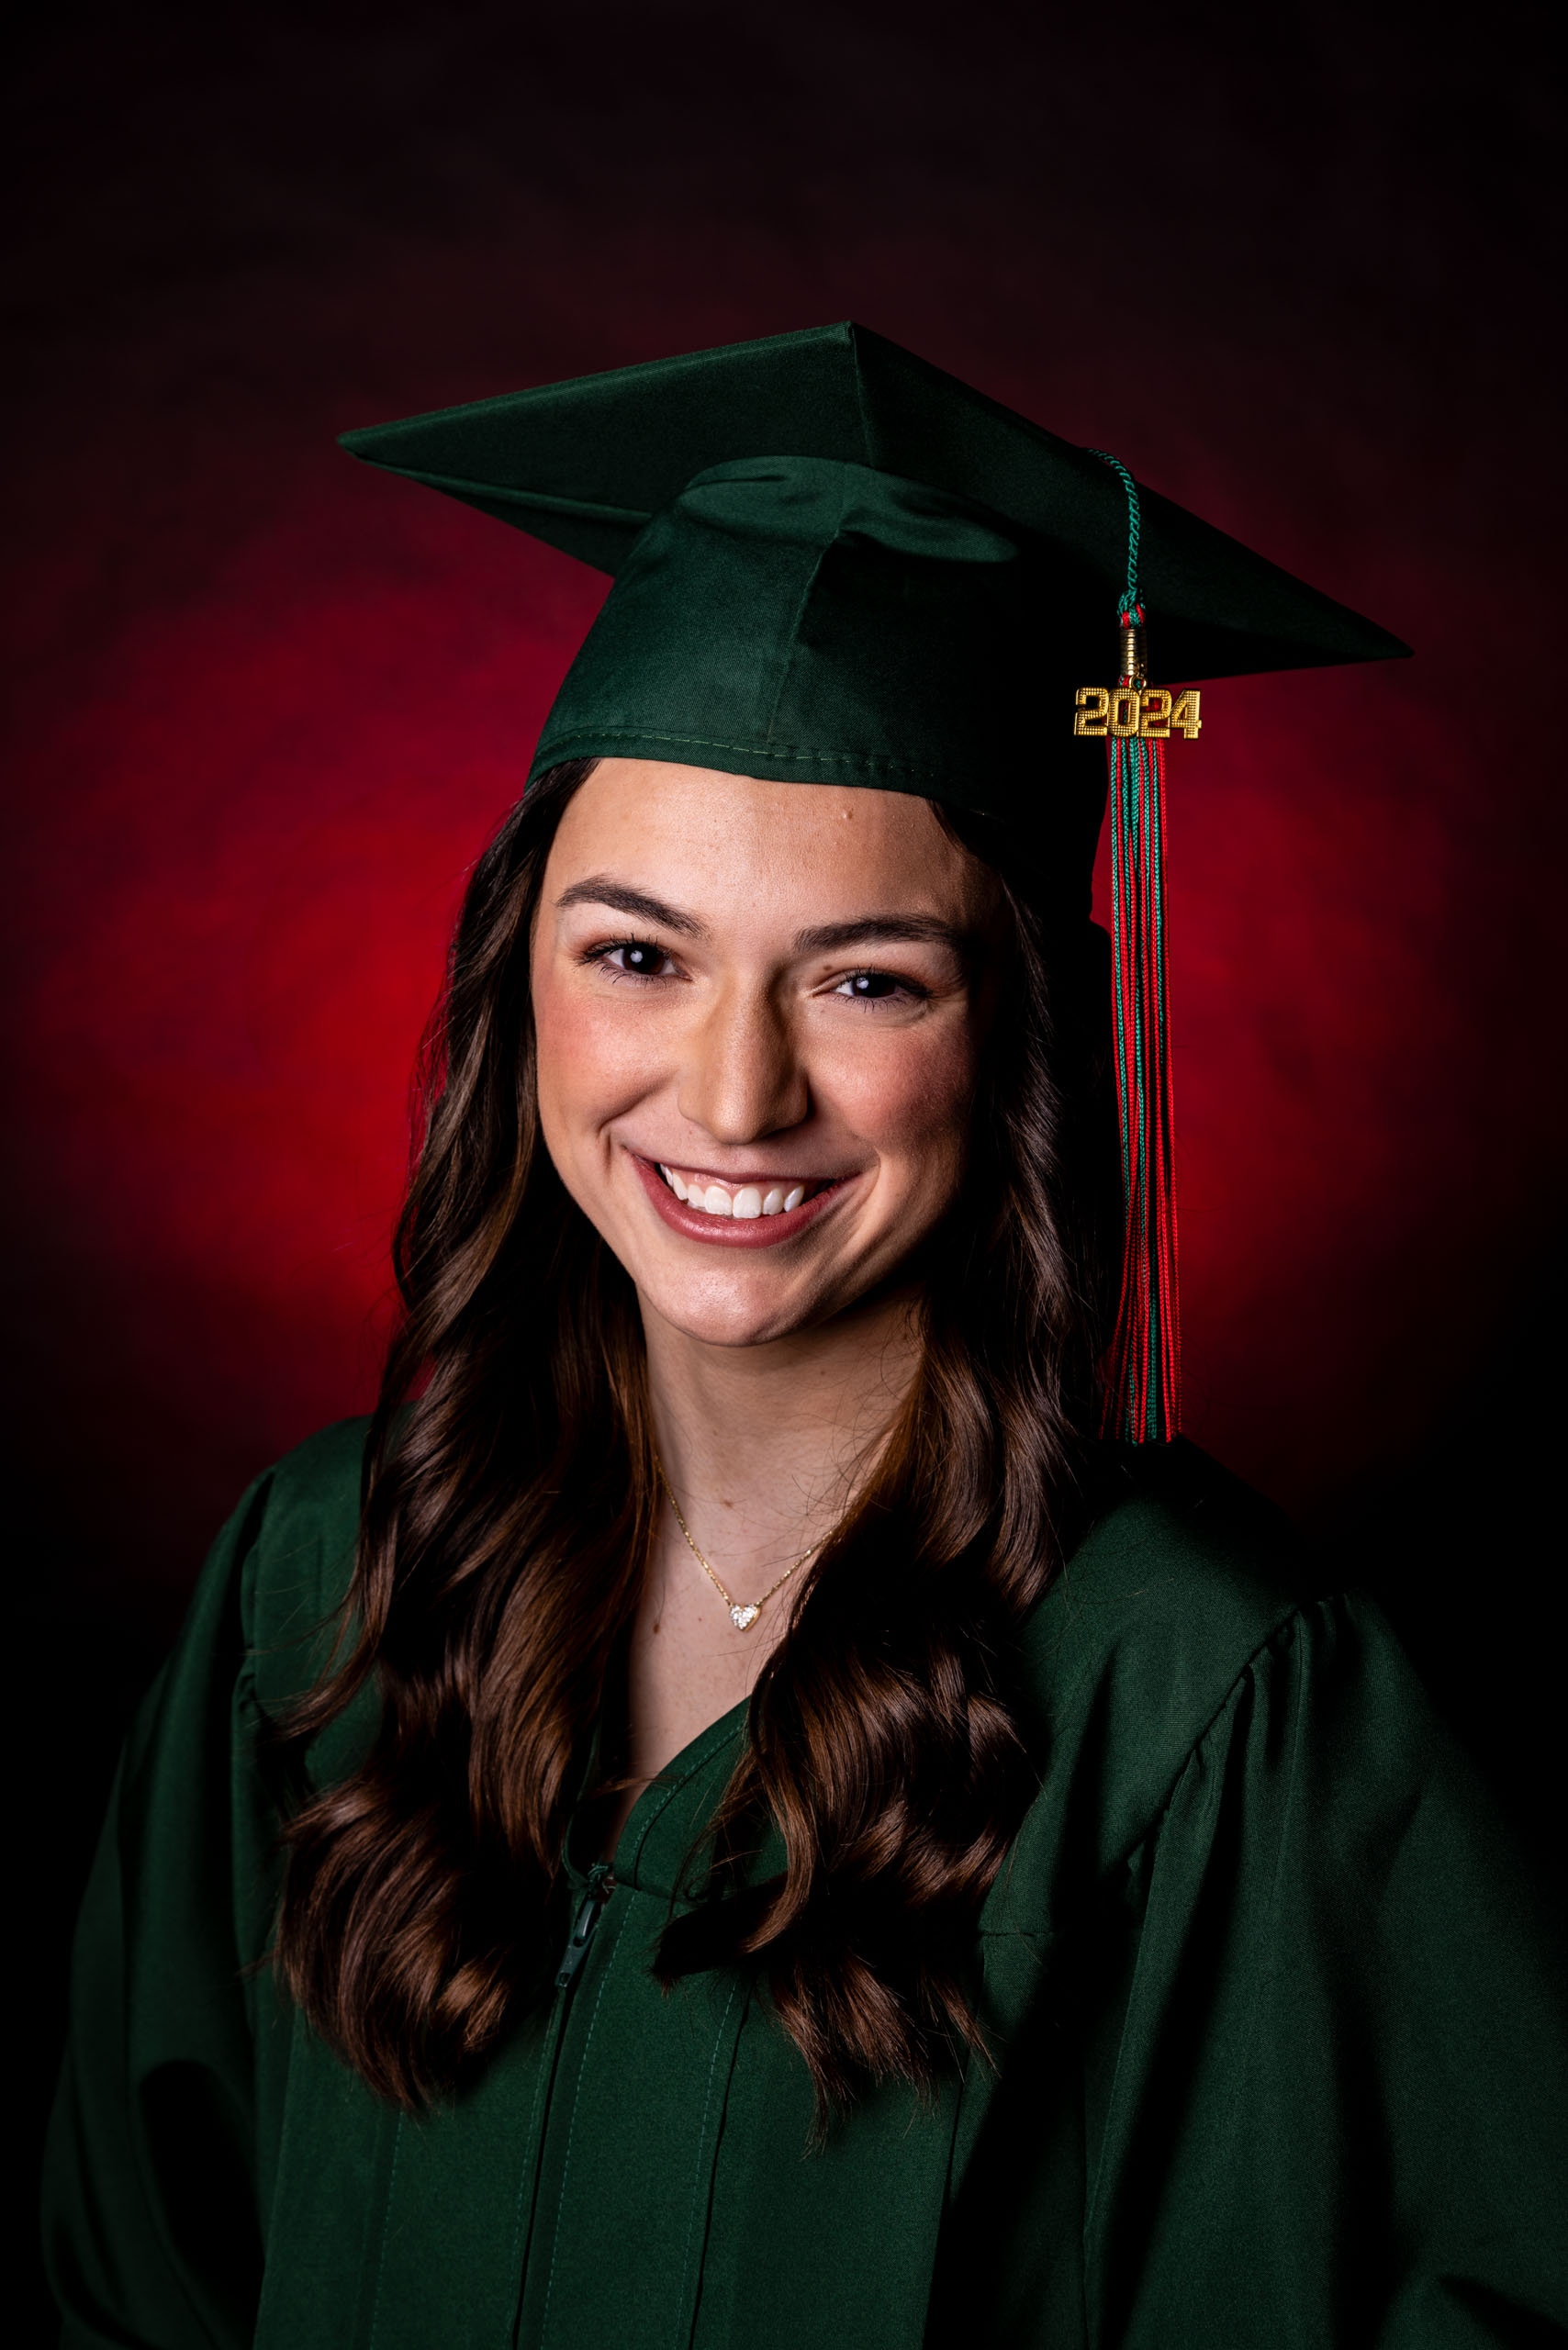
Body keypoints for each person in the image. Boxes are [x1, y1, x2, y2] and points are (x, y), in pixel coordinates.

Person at [43, 324, 1567, 2349]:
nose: (734, 1089)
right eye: (636, 953)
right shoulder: (315, 1589)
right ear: (518, 989)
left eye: (862, 979)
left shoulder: (1201, 1696)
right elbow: (130, 2292)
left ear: (1009, 1039)